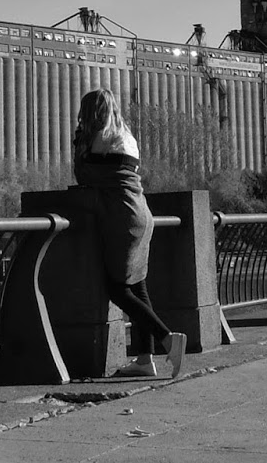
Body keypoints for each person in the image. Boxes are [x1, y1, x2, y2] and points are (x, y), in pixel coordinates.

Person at [72, 88, 186, 379]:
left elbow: (83, 176)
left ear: (90, 112)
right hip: (141, 213)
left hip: (122, 217)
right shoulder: (126, 137)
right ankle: (145, 360)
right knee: (137, 286)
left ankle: (168, 339)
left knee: (117, 289)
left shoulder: (99, 140)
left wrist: (78, 143)